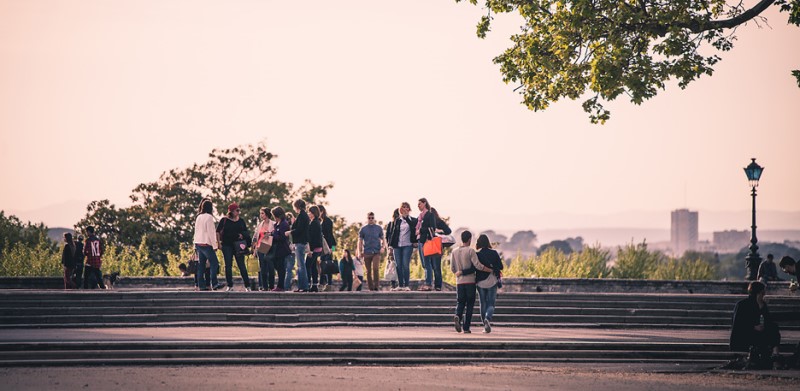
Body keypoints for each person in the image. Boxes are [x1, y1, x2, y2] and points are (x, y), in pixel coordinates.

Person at [730, 281, 781, 368]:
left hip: (757, 334)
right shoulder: (742, 305)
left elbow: (768, 321)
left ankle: (776, 353)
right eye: (762, 293)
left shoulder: (762, 304)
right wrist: (753, 327)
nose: (763, 295)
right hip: (744, 336)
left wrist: (761, 309)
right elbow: (738, 325)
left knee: (773, 327)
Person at [450, 230, 492, 334]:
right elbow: (477, 265)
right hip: (470, 282)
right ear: (469, 239)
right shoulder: (470, 251)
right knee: (469, 304)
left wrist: (458, 272)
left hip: (459, 282)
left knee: (460, 302)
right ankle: (466, 327)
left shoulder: (454, 251)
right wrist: (489, 269)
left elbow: (452, 268)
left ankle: (458, 315)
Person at [216, 202, 251, 291]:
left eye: (239, 210)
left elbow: (246, 232)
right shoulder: (224, 220)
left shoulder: (241, 221)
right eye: (236, 210)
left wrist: (242, 235)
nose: (238, 212)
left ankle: (247, 285)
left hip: (238, 245)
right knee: (228, 265)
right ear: (231, 211)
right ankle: (230, 285)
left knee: (241, 265)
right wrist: (218, 243)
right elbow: (218, 231)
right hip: (227, 245)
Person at [417, 201, 452, 291]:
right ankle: (436, 285)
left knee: (435, 266)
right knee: (432, 266)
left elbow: (448, 231)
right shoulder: (426, 221)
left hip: (435, 244)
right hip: (431, 245)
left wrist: (438, 231)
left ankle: (437, 285)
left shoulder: (439, 222)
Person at [475, 234, 503, 333]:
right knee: (491, 303)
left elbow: (475, 267)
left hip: (480, 282)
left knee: (483, 303)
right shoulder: (494, 253)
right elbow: (501, 266)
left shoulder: (477, 254)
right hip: (492, 281)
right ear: (488, 242)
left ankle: (484, 325)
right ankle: (488, 318)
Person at [194, 199, 223, 291]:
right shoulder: (209, 217)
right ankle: (214, 283)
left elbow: (196, 231)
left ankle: (200, 285)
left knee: (201, 266)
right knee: (214, 263)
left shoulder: (199, 217)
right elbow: (211, 232)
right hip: (207, 244)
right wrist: (215, 245)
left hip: (198, 243)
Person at [389, 202, 417, 291]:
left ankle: (406, 285)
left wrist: (406, 218)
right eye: (403, 207)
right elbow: (393, 233)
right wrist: (391, 246)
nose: (404, 209)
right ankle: (400, 285)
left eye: (406, 207)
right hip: (397, 245)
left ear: (409, 209)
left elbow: (413, 228)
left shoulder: (413, 220)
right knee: (398, 265)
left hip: (408, 245)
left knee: (405, 265)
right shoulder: (397, 220)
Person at [358, 212, 386, 291]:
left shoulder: (378, 228)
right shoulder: (363, 229)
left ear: (374, 218)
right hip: (367, 252)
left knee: (375, 268)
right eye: (369, 218)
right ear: (367, 219)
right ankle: (371, 288)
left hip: (376, 252)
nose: (371, 219)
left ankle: (376, 286)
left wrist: (383, 247)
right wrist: (359, 252)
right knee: (368, 271)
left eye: (372, 218)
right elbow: (360, 241)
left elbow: (383, 239)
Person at [287, 200, 310, 292]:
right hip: (301, 242)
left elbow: (299, 229)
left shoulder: (302, 216)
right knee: (301, 265)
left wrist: (290, 232)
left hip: (300, 242)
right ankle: (302, 286)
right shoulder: (304, 216)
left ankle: (303, 286)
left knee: (301, 265)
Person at [253, 207, 275, 291]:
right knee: (263, 268)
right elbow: (256, 237)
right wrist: (255, 250)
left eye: (262, 213)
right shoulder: (260, 224)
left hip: (269, 246)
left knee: (270, 267)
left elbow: (275, 234)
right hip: (260, 247)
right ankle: (264, 286)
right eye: (260, 213)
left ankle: (271, 285)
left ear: (267, 213)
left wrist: (269, 234)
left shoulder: (272, 223)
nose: (261, 215)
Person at [270, 206, 291, 292]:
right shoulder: (276, 224)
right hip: (276, 249)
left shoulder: (284, 224)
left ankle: (281, 286)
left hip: (282, 249)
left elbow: (282, 237)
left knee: (281, 268)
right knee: (277, 266)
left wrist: (273, 235)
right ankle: (279, 285)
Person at [306, 205, 324, 293]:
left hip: (314, 248)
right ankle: (314, 285)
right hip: (318, 248)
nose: (308, 214)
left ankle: (308, 283)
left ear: (313, 213)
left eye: (310, 212)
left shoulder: (314, 223)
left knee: (307, 265)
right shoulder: (317, 222)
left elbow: (312, 238)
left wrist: (310, 250)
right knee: (313, 266)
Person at [319, 205, 337, 292]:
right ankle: (324, 283)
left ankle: (329, 284)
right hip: (325, 247)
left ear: (322, 211)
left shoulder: (327, 221)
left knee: (328, 265)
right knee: (324, 265)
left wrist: (331, 248)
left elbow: (330, 235)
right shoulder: (322, 221)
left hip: (329, 246)